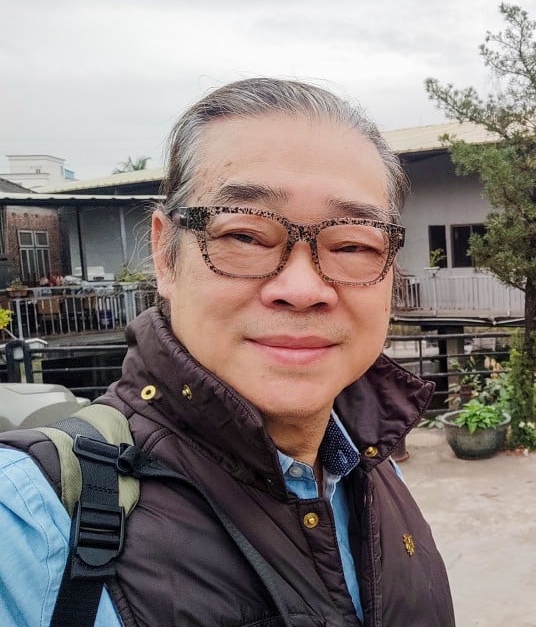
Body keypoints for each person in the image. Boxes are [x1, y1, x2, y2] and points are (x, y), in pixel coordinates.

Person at [0, 78, 455, 626]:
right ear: (166, 255)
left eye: (354, 244)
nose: (304, 288)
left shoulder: (374, 467)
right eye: (244, 237)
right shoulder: (30, 521)